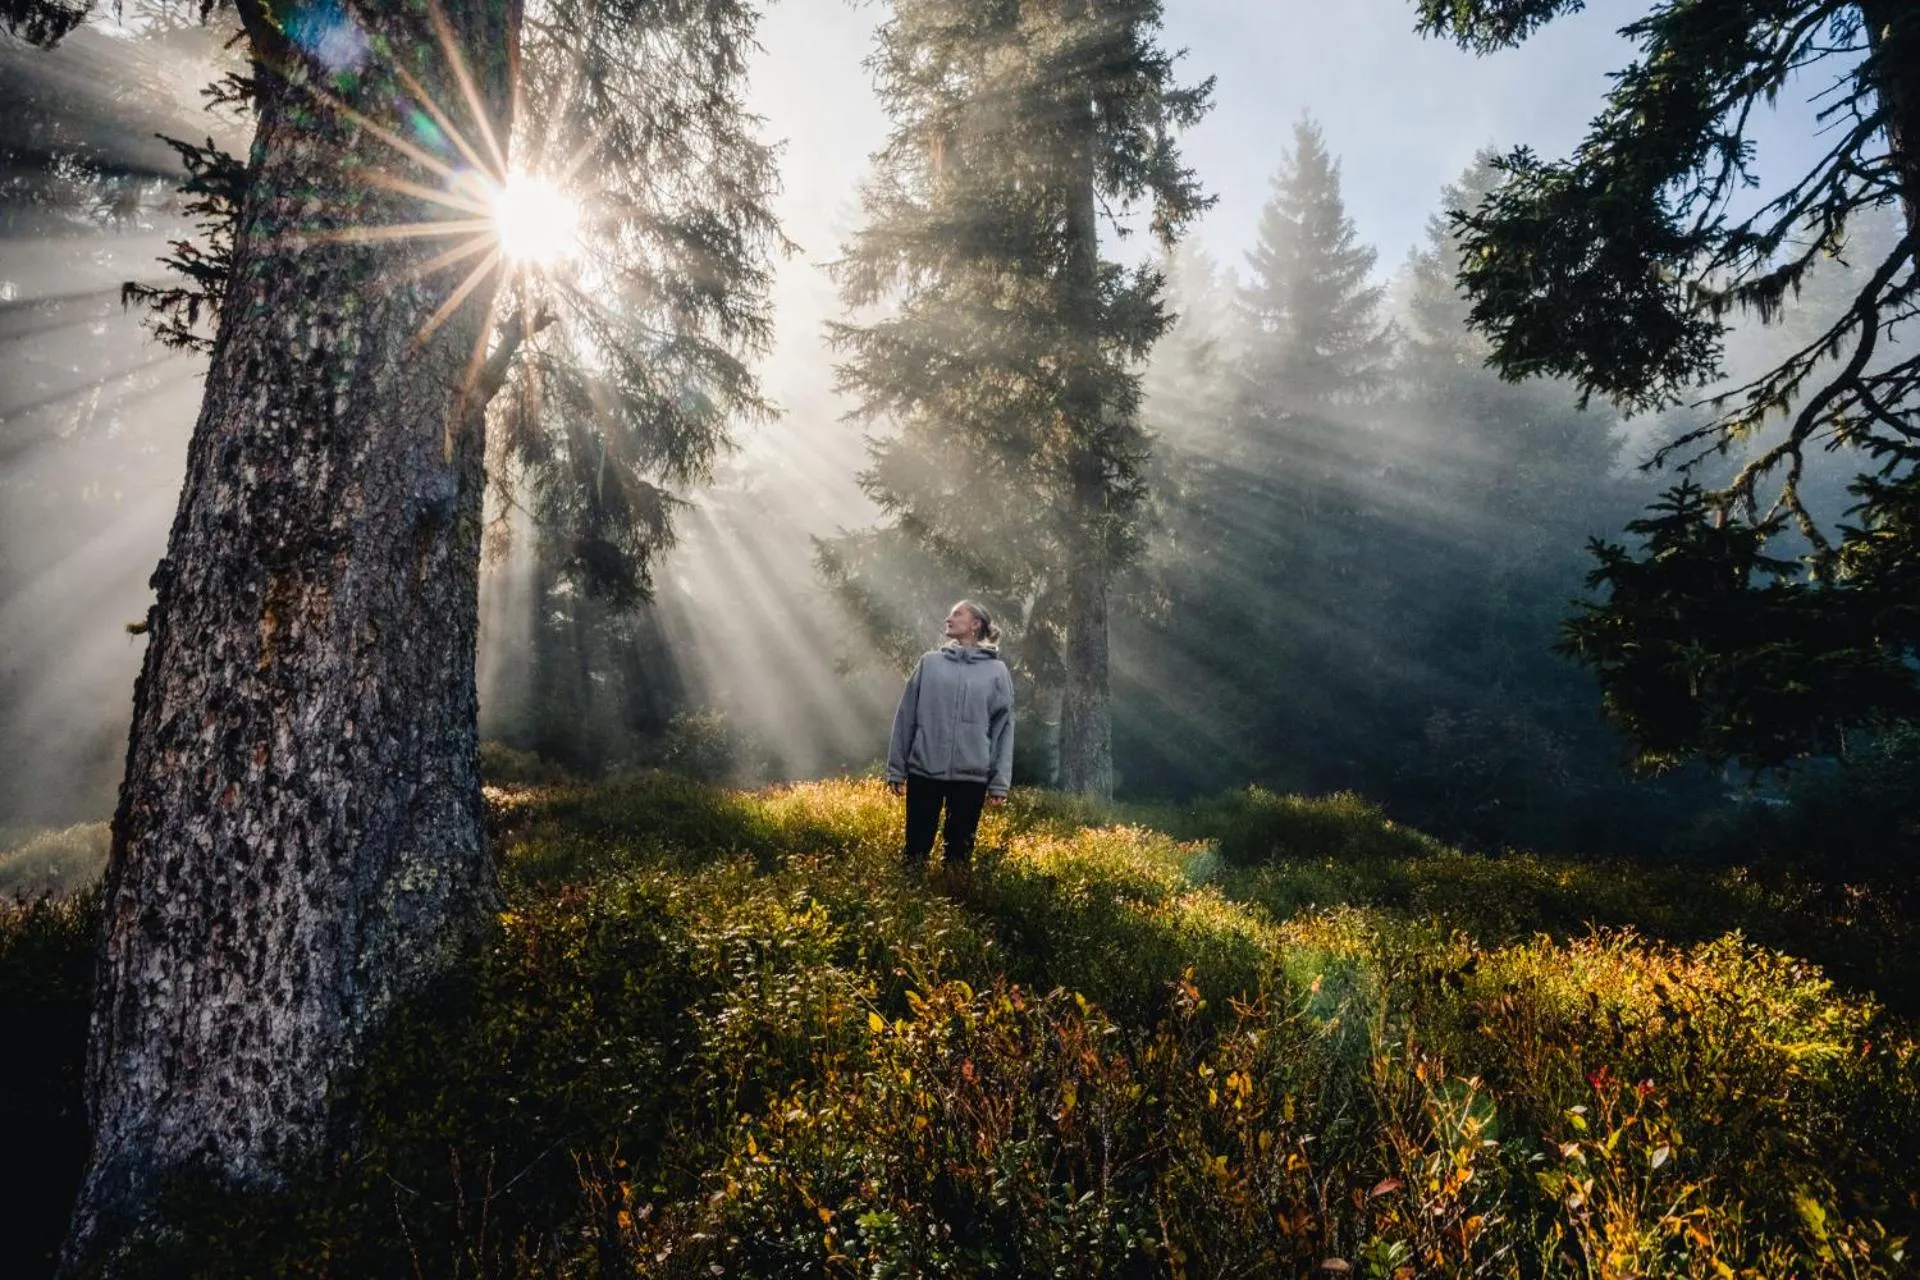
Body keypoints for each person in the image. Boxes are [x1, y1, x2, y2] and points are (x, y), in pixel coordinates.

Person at [885, 600, 1014, 871]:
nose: (948, 618)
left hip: (971, 777)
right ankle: (911, 906)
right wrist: (897, 769)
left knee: (959, 855)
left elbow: (1003, 730)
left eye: (957, 614)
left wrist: (999, 782)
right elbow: (906, 716)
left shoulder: (997, 671)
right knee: (915, 853)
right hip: (924, 771)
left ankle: (954, 903)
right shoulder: (929, 663)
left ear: (976, 624)